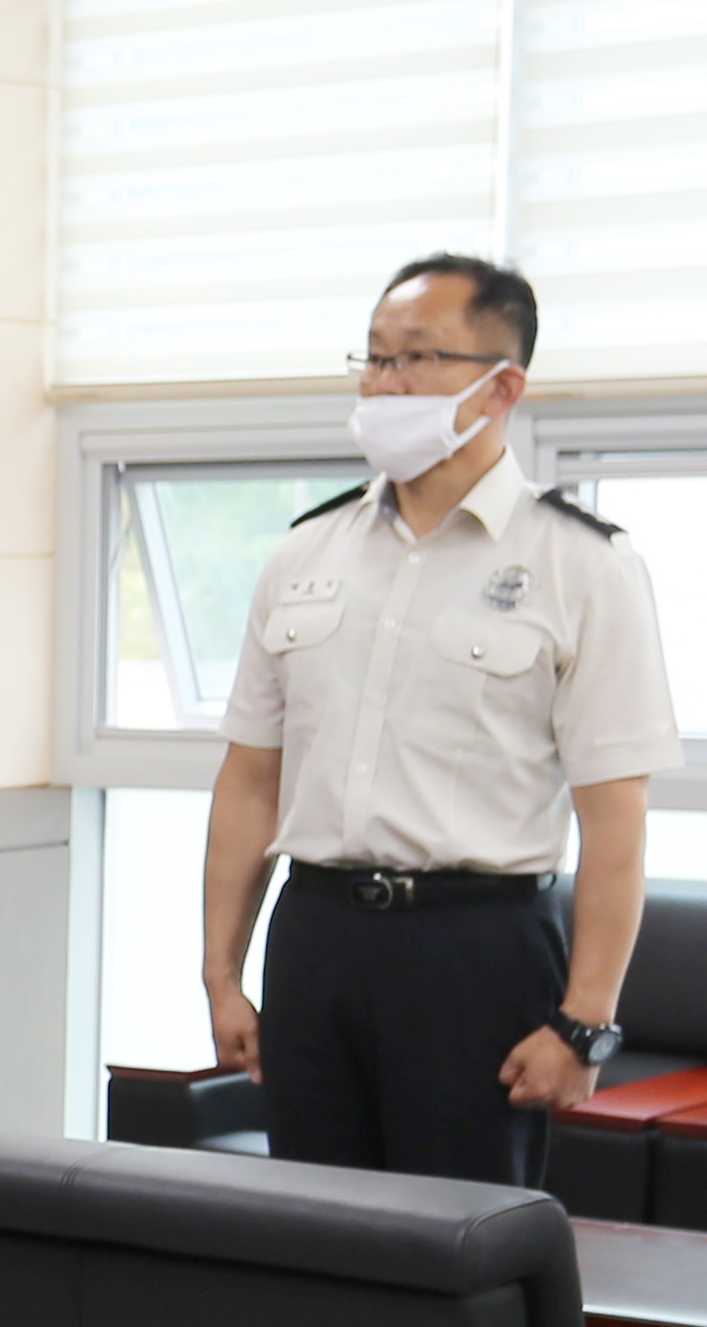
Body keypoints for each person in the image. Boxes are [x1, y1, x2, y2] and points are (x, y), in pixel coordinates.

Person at [200, 256, 682, 1185]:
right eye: (374, 359)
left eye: (416, 358)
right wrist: (223, 974)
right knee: (310, 1228)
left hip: (475, 947)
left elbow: (616, 820)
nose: (385, 384)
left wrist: (585, 1021)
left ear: (502, 387)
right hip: (316, 934)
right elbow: (250, 779)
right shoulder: (306, 551)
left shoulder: (583, 563)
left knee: (455, 1235)